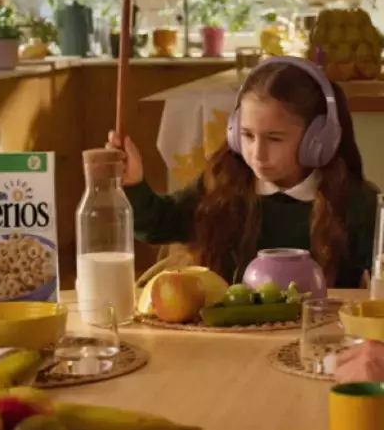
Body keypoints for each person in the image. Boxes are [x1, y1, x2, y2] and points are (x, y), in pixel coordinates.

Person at [109, 56, 378, 288]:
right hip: (232, 341)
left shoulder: (355, 203)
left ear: (317, 140)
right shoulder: (222, 183)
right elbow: (157, 224)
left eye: (274, 139)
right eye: (247, 135)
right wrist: (134, 183)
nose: (257, 154)